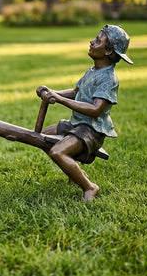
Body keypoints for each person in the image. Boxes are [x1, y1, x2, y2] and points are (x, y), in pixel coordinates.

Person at [36, 25, 133, 202]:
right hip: (79, 125)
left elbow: (96, 110)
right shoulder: (92, 70)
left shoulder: (108, 79)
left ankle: (89, 186)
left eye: (97, 40)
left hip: (91, 131)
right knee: (42, 138)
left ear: (108, 50)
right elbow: (75, 92)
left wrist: (60, 100)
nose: (91, 41)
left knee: (57, 152)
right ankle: (75, 172)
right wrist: (53, 92)